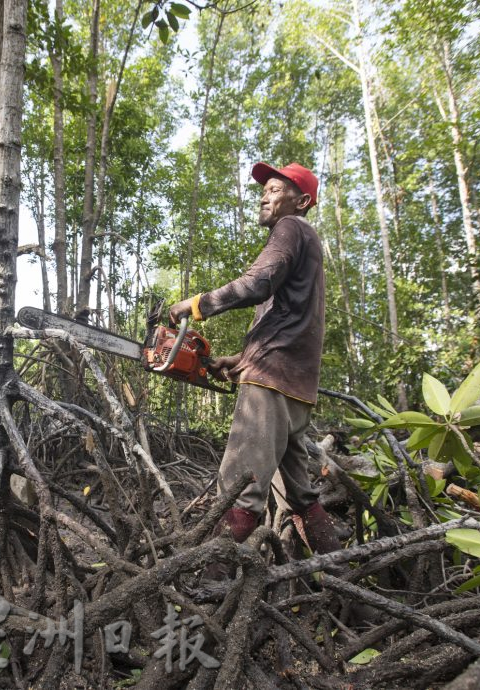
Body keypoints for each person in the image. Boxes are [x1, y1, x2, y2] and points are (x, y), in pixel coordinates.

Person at [168, 162, 342, 572]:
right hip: (294, 387)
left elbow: (256, 283)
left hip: (272, 384)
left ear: (301, 201)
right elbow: (286, 318)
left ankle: (210, 587)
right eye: (264, 190)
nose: (264, 196)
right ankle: (342, 574)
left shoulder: (291, 228)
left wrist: (196, 305)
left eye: (276, 189)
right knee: (300, 496)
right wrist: (243, 359)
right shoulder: (305, 243)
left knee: (238, 491)